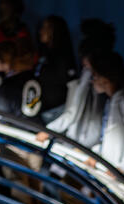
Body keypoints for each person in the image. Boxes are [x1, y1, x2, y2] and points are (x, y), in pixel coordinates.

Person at [40, 18, 112, 147]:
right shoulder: (95, 74)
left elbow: (73, 111)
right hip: (87, 138)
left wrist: (48, 131)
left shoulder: (89, 75)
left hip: (82, 139)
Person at [31, 15, 76, 120]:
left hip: (54, 114)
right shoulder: (45, 54)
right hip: (41, 111)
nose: (41, 31)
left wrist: (61, 119)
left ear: (55, 31)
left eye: (45, 28)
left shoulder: (63, 58)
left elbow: (71, 89)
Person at [0, 0, 32, 65]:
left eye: (5, 10)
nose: (0, 14)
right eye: (0, 10)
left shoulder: (22, 34)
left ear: (14, 12)